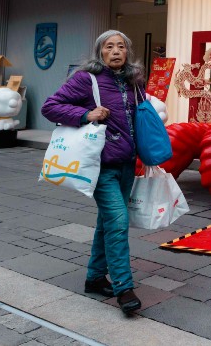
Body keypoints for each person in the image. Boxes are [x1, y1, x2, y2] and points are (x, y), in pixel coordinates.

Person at [42, 30, 145, 315]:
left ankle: (95, 277)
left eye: (121, 46)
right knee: (118, 221)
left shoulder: (133, 81)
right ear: (99, 52)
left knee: (108, 222)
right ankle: (124, 288)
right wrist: (85, 115)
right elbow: (49, 107)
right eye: (109, 47)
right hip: (101, 166)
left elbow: (140, 120)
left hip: (127, 164)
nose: (115, 51)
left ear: (128, 52)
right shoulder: (86, 79)